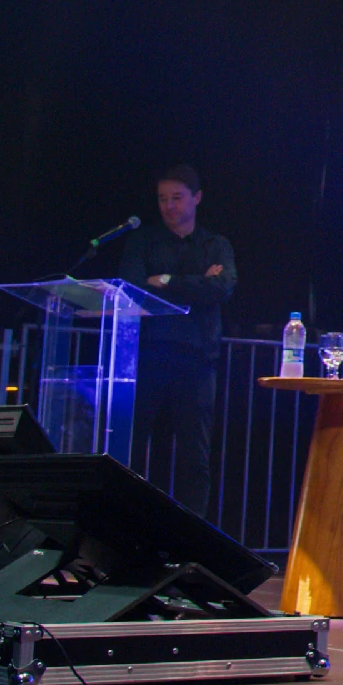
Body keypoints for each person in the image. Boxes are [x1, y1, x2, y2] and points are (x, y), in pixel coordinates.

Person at [119, 164, 236, 514]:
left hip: (198, 360)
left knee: (194, 458)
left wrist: (166, 280)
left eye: (177, 198)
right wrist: (197, 283)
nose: (169, 206)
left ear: (196, 198)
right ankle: (126, 524)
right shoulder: (142, 241)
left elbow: (221, 288)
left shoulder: (216, 245)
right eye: (162, 199)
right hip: (148, 357)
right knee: (132, 449)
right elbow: (134, 289)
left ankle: (192, 534)